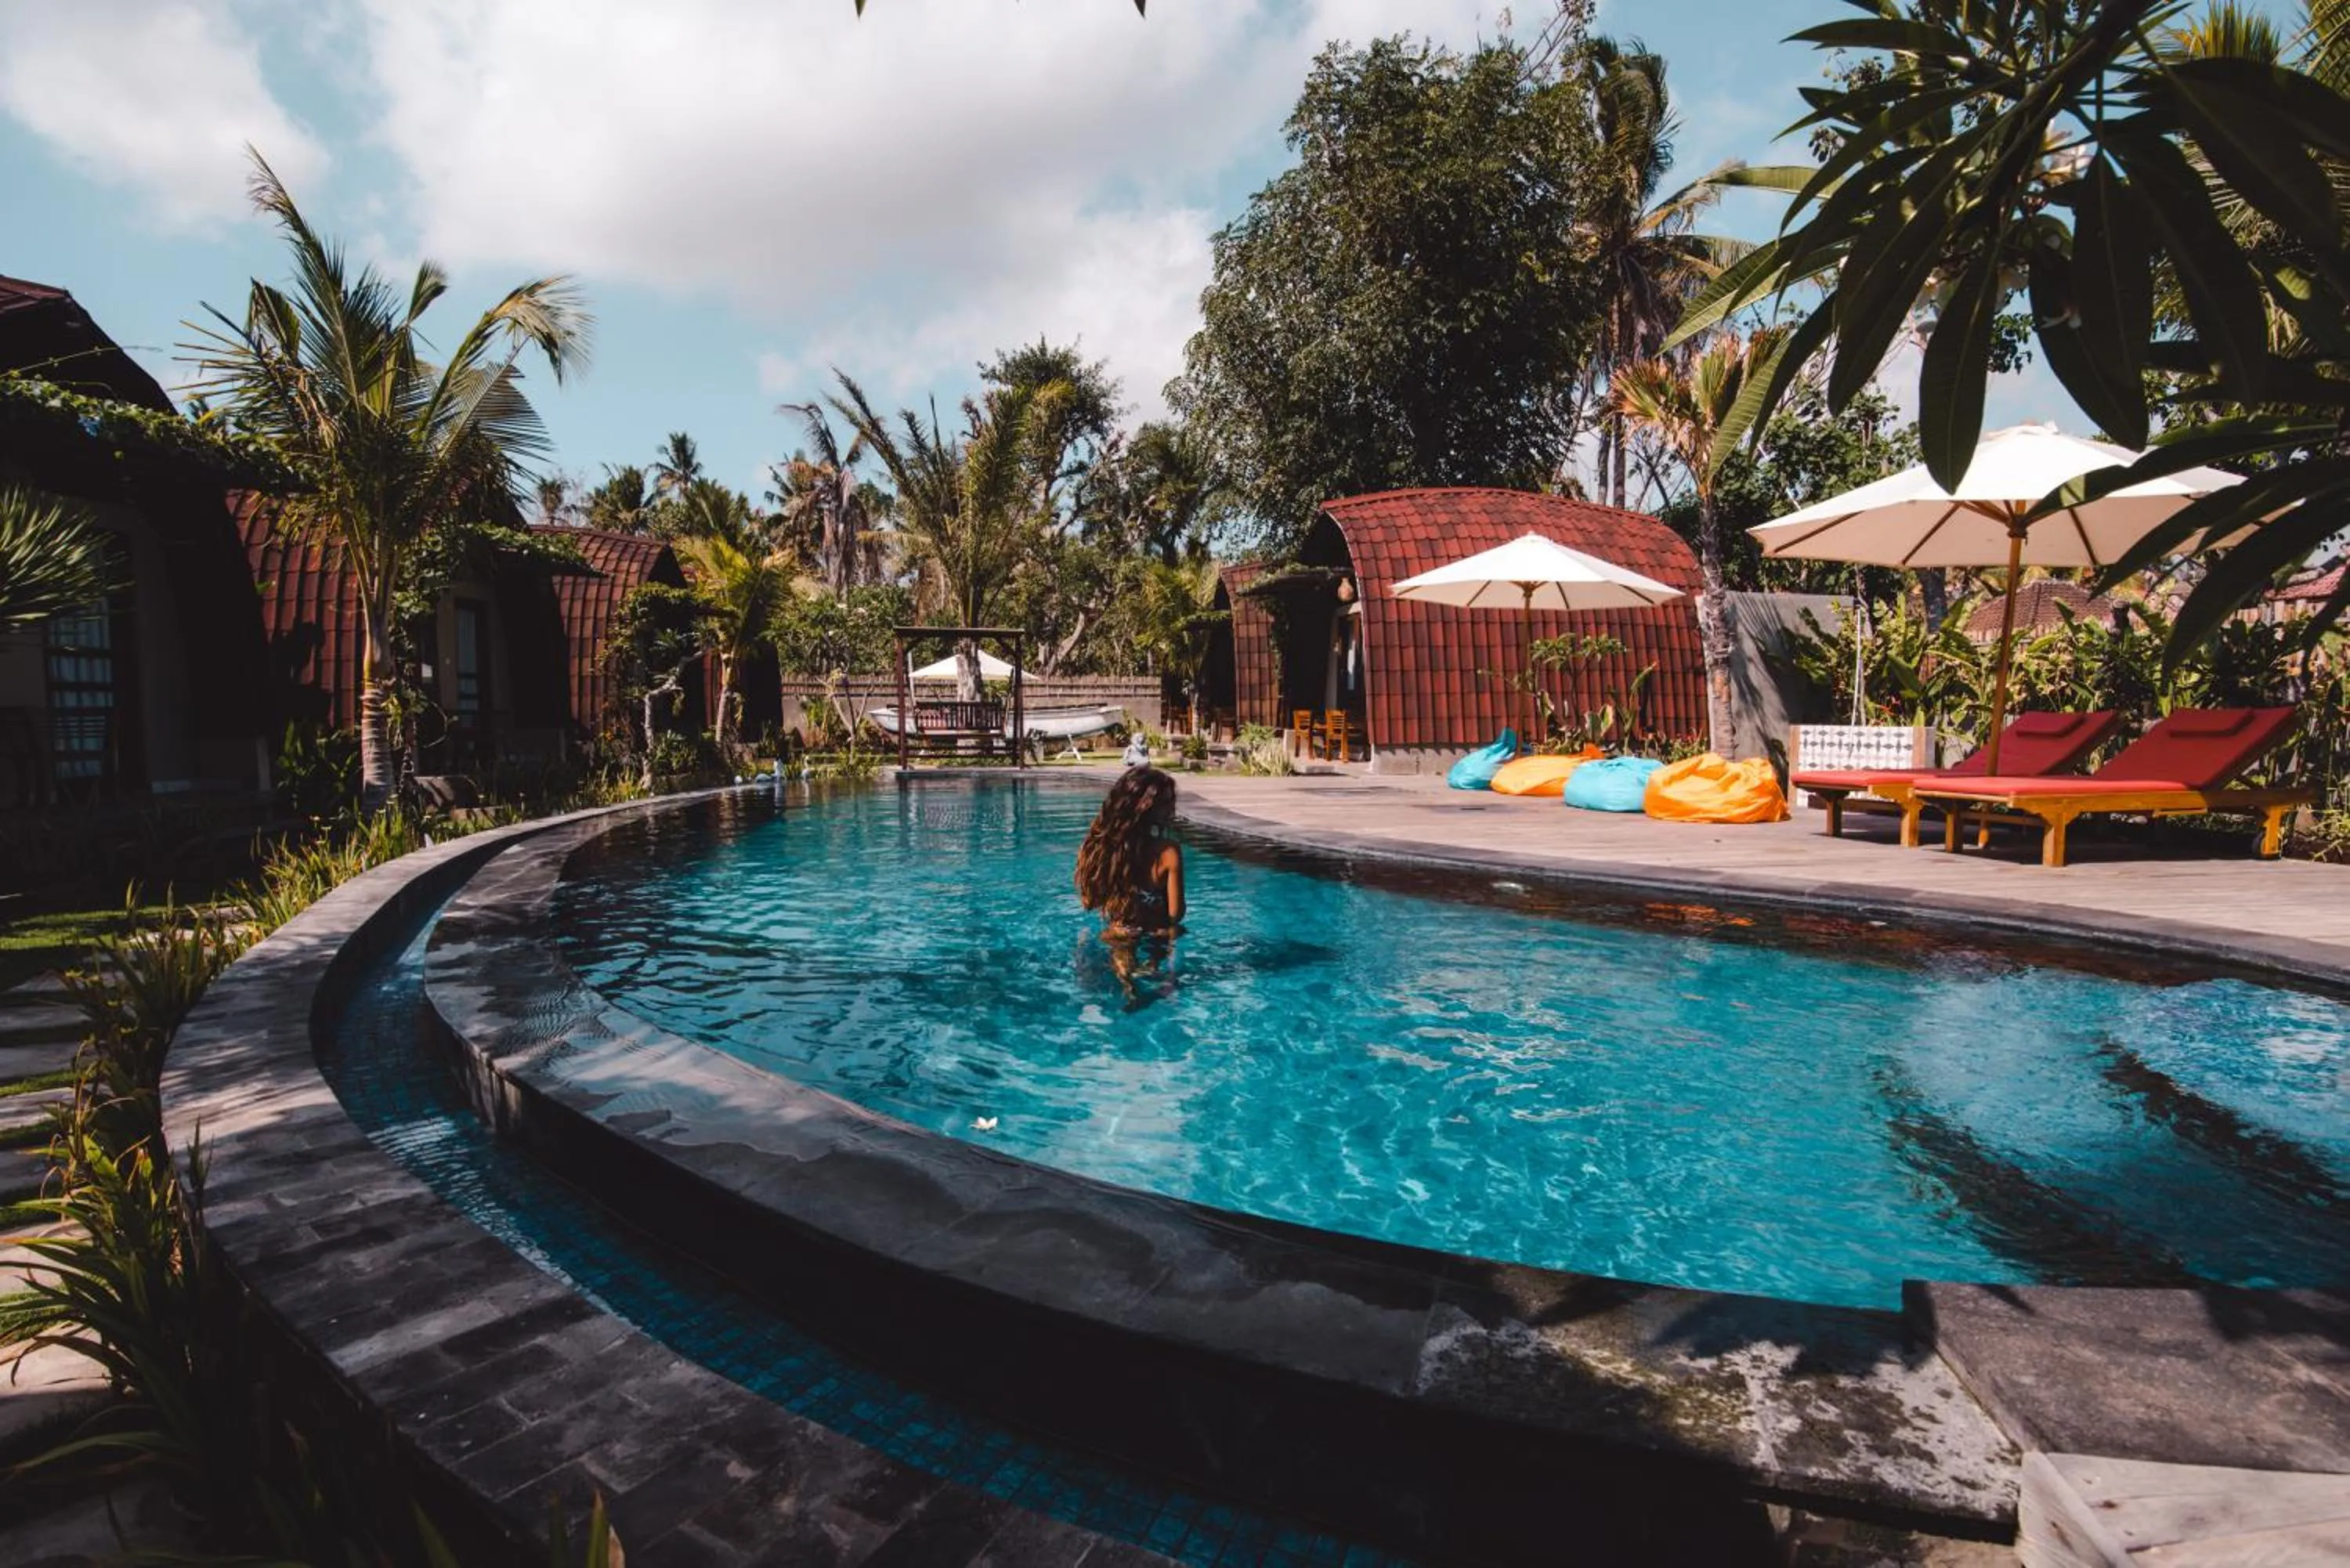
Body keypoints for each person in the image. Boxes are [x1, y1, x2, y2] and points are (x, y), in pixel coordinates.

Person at [1074, 766, 1186, 999]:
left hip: (1118, 929)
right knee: (1173, 931)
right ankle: (1153, 969)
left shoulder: (1101, 846)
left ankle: (1125, 977)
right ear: (1151, 810)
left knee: (1121, 940)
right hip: (1157, 931)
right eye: (1169, 803)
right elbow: (1176, 914)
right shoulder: (1168, 852)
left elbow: (1090, 900)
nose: (1173, 809)